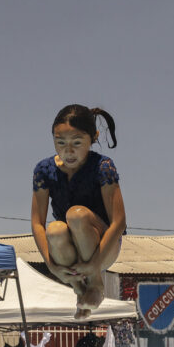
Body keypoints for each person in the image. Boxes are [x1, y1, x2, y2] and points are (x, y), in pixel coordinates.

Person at [31, 104, 127, 319]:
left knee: (76, 214)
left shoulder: (103, 166)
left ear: (94, 137)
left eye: (77, 143)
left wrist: (95, 266)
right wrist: (51, 265)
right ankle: (78, 288)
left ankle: (95, 285)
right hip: (66, 249)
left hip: (104, 247)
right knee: (54, 229)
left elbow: (119, 222)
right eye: (61, 143)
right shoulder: (44, 171)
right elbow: (37, 223)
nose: (69, 151)